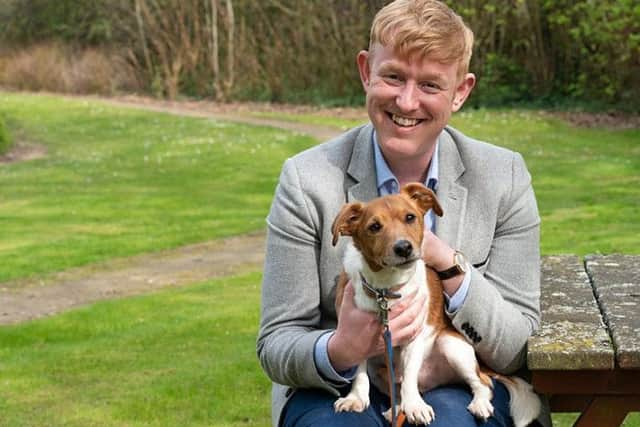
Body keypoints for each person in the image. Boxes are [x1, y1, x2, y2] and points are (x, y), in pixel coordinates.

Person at [257, 1, 549, 426]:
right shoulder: (307, 180)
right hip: (337, 387)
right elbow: (276, 343)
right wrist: (341, 347)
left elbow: (518, 347)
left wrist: (446, 264)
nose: (407, 101)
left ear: (461, 91)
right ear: (365, 72)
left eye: (430, 85)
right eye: (393, 76)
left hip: (454, 382)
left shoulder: (503, 176)